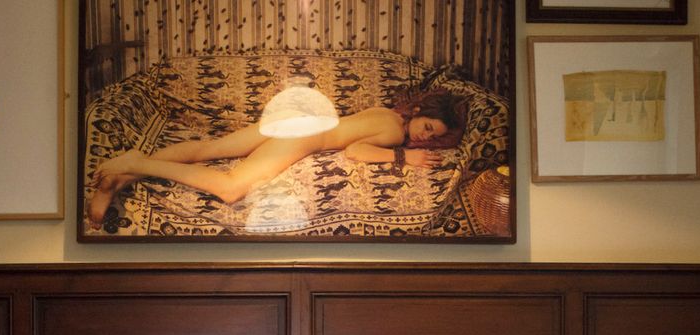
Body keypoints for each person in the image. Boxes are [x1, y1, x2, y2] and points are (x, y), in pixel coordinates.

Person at [88, 88, 465, 226]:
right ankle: (137, 162)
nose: (423, 138)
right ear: (419, 112)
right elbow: (355, 150)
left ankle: (120, 178)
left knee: (209, 149)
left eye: (432, 139)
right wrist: (402, 160)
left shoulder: (389, 114)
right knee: (232, 188)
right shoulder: (395, 132)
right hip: (302, 134)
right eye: (428, 127)